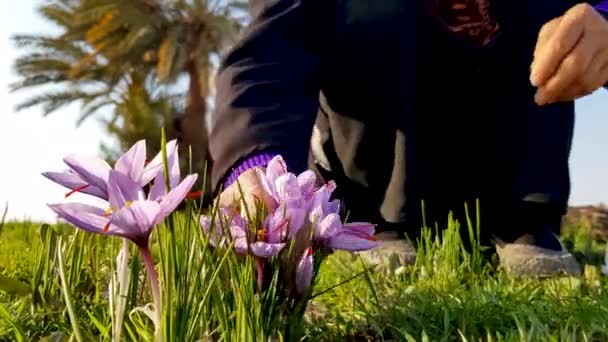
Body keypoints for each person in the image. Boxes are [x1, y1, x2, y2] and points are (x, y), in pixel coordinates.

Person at [207, 0, 608, 277]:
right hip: (373, 185)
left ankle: (522, 222)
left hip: (518, 178)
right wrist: (257, 169)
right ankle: (377, 221)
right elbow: (272, 53)